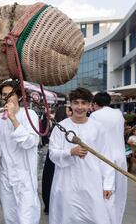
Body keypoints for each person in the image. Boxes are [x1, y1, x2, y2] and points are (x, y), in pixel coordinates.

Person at [48, 87, 114, 224]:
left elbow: (106, 156)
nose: (79, 107)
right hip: (66, 183)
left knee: (94, 216)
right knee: (66, 216)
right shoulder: (60, 127)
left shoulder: (98, 127)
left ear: (90, 105)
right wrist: (70, 152)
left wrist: (108, 184)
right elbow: (53, 154)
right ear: (70, 105)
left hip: (91, 182)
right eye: (76, 103)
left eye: (84, 103)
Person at [0, 80, 40, 224]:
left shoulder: (30, 115)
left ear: (18, 96)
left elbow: (30, 142)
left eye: (10, 94)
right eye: (4, 95)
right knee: (10, 217)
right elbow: (2, 145)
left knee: (26, 218)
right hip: (6, 176)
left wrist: (13, 118)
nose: (6, 98)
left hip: (25, 177)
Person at [90, 92, 127, 224]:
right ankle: (117, 219)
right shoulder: (118, 114)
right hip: (120, 155)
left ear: (95, 103)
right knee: (120, 191)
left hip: (104, 156)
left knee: (105, 192)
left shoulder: (94, 116)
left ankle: (106, 219)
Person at [41, 105, 68, 215]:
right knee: (52, 179)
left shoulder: (57, 124)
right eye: (68, 110)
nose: (70, 112)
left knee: (49, 179)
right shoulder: (62, 126)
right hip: (57, 155)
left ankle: (49, 204)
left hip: (53, 156)